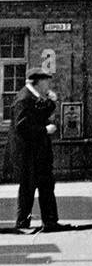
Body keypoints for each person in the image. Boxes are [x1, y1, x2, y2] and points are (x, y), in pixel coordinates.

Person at [11, 69, 65, 232]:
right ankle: (22, 222)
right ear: (38, 82)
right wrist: (44, 130)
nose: (48, 84)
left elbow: (40, 112)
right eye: (46, 81)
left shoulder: (33, 96)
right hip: (28, 153)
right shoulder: (24, 98)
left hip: (39, 152)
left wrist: (51, 101)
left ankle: (50, 221)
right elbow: (21, 126)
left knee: (46, 185)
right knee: (28, 187)